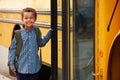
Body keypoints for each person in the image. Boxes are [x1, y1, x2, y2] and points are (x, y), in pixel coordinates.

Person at [9, 7, 52, 80]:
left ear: (35, 19)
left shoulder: (36, 31)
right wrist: (12, 65)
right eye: (26, 18)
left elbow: (41, 43)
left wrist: (49, 33)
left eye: (31, 18)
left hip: (34, 69)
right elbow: (13, 50)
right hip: (21, 70)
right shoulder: (18, 34)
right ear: (22, 20)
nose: (29, 20)